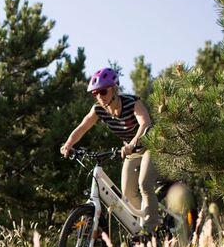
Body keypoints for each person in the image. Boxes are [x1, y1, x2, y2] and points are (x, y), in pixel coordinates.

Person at [60, 67, 160, 234]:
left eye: (103, 92)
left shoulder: (132, 102)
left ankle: (150, 230)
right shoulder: (99, 110)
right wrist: (68, 144)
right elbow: (82, 127)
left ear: (114, 89)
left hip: (151, 146)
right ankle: (146, 219)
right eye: (95, 93)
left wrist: (132, 143)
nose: (99, 96)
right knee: (127, 196)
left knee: (145, 184)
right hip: (132, 151)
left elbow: (145, 123)